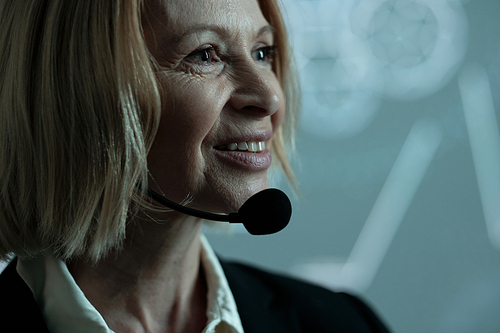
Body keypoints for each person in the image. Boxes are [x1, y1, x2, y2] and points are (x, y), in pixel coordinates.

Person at [0, 0, 390, 332]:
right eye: (204, 54)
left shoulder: (341, 322)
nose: (269, 95)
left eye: (262, 52)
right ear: (76, 93)